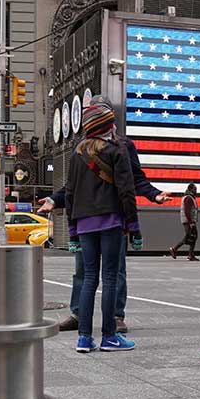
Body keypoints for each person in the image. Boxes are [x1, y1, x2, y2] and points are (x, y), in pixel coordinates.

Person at [40, 98, 170, 332]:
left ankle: (113, 318)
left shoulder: (123, 146)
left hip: (99, 219)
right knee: (88, 271)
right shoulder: (81, 147)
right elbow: (73, 185)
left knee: (112, 271)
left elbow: (134, 180)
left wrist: (154, 194)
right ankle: (81, 316)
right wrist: (53, 199)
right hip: (105, 219)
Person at [65, 100, 138, 353]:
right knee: (109, 278)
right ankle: (109, 336)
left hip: (84, 224)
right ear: (108, 125)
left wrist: (72, 230)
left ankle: (84, 338)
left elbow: (71, 193)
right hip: (111, 220)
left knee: (88, 280)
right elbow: (127, 191)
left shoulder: (77, 153)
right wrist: (134, 226)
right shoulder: (117, 150)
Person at [170, 183, 200, 261]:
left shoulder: (189, 197)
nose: (196, 191)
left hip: (189, 220)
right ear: (191, 189)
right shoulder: (189, 198)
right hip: (188, 221)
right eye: (195, 189)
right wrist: (191, 222)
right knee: (189, 236)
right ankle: (175, 249)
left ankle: (190, 254)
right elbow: (187, 211)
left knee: (193, 236)